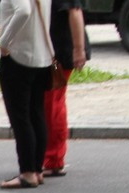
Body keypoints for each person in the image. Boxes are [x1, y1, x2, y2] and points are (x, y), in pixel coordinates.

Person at [0, 0, 52, 188]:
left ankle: (27, 173)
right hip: (42, 57)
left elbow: (24, 11)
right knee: (37, 114)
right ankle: (37, 169)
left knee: (21, 118)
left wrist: (4, 41)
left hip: (18, 58)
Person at [42, 0, 89, 177]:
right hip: (52, 50)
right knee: (52, 102)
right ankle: (50, 157)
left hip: (60, 53)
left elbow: (75, 11)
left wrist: (78, 50)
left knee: (52, 104)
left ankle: (53, 158)